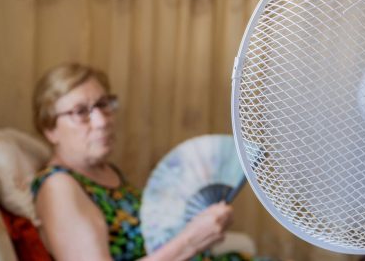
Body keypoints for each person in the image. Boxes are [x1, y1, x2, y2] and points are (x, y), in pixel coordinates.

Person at [31, 63, 239, 261]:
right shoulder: (58, 186)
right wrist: (191, 241)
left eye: (103, 104)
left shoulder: (108, 172)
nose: (102, 121)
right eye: (80, 112)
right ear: (50, 130)